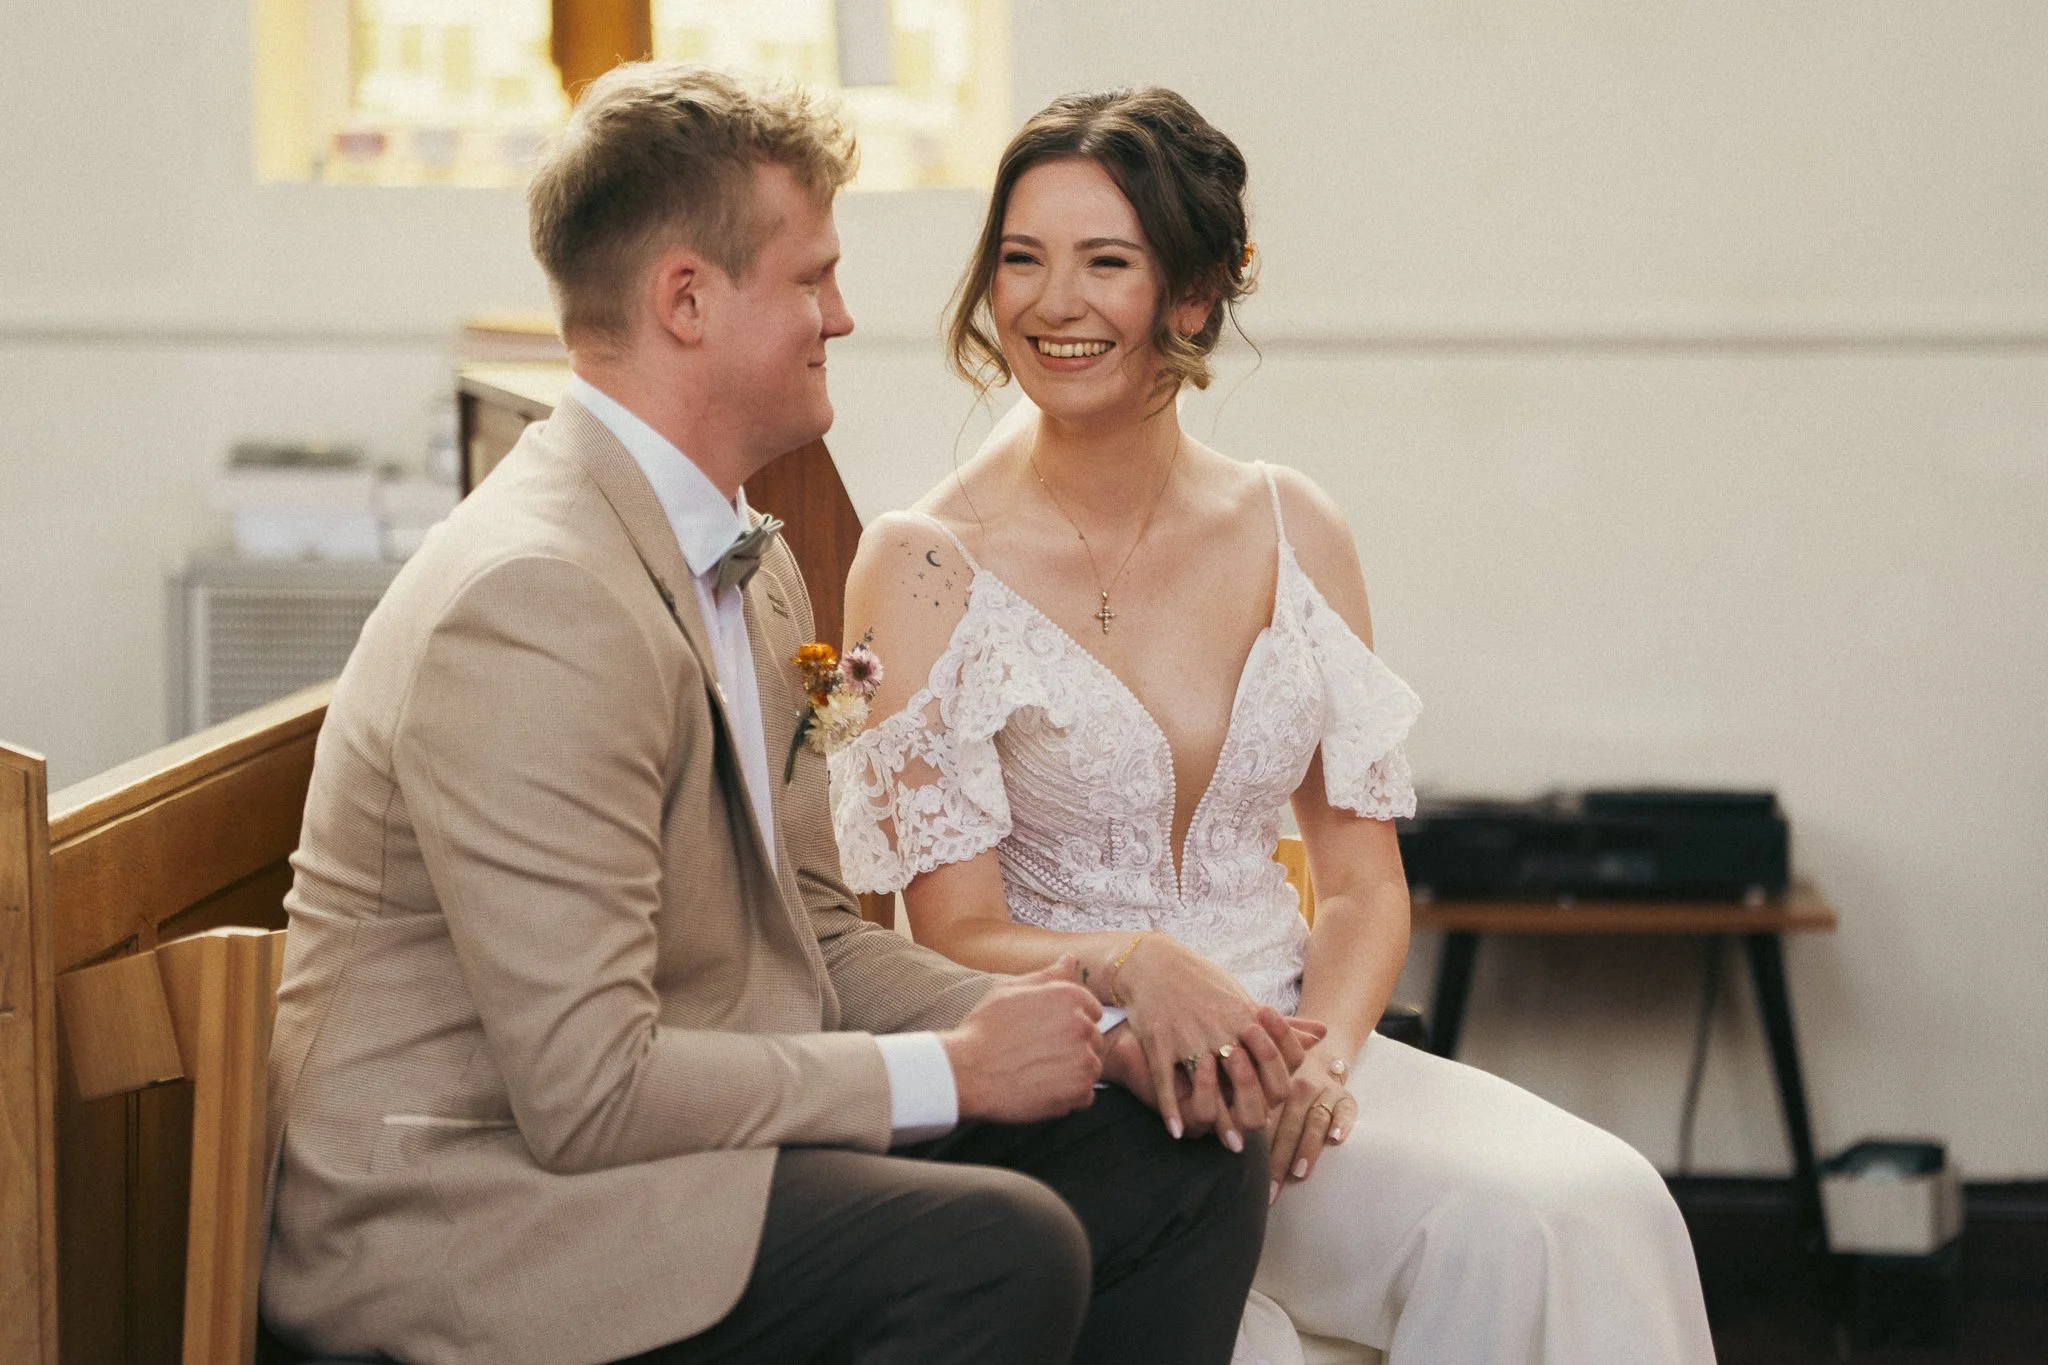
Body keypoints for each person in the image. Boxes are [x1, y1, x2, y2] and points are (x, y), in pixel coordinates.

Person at [261, 64, 1296, 1365]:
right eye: (810, 278)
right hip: (481, 1219)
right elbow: (586, 1090)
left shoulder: (741, 557)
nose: (845, 315)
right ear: (686, 299)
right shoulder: (533, 597)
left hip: (681, 1148)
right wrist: (956, 1073)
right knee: (992, 1251)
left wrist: (1093, 1016)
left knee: (1184, 1150)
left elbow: (811, 940)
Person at [832, 87, 1720, 1365]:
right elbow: (951, 929)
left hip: (1298, 1062)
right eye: (1019, 259)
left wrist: (1326, 1063)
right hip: (1100, 1085)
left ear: (1192, 297)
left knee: (1595, 1209)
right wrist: (1132, 964)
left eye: (1105, 262)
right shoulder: (923, 563)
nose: (1049, 303)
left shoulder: (1295, 527)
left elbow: (1360, 883)